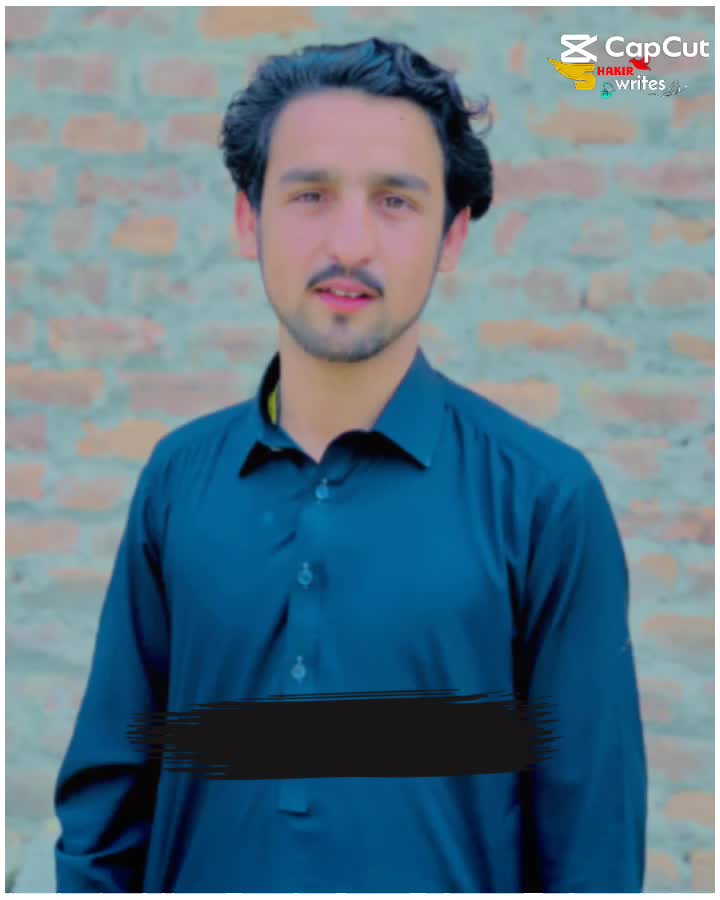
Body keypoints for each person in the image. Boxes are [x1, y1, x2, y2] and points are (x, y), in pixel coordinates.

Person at [53, 36, 647, 892]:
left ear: (452, 237)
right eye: (311, 195)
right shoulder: (177, 481)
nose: (350, 241)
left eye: (395, 201)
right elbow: (104, 821)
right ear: (249, 220)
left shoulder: (546, 501)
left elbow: (593, 852)